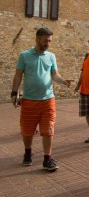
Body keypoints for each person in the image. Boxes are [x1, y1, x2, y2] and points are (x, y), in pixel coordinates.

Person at [11, 27, 72, 171]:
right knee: (27, 131)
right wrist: (14, 93)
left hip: (48, 100)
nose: (48, 44)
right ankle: (27, 153)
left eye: (50, 41)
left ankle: (47, 159)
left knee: (48, 129)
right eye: (45, 40)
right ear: (37, 38)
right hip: (29, 100)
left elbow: (54, 74)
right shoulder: (24, 56)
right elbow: (18, 75)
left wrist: (63, 81)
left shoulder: (51, 56)